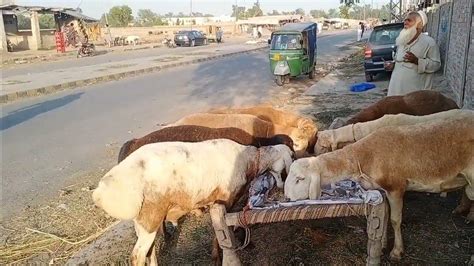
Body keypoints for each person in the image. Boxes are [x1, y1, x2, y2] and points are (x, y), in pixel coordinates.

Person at [385, 11, 441, 96]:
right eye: (405, 20)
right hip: (395, 90)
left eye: (409, 20)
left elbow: (436, 65)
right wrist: (392, 65)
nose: (405, 22)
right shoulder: (402, 41)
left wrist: (417, 61)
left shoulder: (429, 42)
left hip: (415, 95)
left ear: (419, 24)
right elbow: (399, 61)